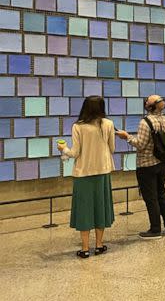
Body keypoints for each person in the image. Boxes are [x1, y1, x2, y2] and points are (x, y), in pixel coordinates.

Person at [57, 96, 115, 258]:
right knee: (100, 208)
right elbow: (112, 148)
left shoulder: (78, 127)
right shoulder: (109, 124)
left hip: (83, 173)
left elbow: (74, 153)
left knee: (84, 209)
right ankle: (99, 245)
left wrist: (63, 148)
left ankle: (84, 248)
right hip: (103, 172)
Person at [116, 95, 165, 239]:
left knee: (151, 197)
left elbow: (141, 145)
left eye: (148, 100)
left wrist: (127, 137)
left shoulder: (145, 122)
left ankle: (155, 229)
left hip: (146, 165)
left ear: (150, 106)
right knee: (161, 193)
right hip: (162, 163)